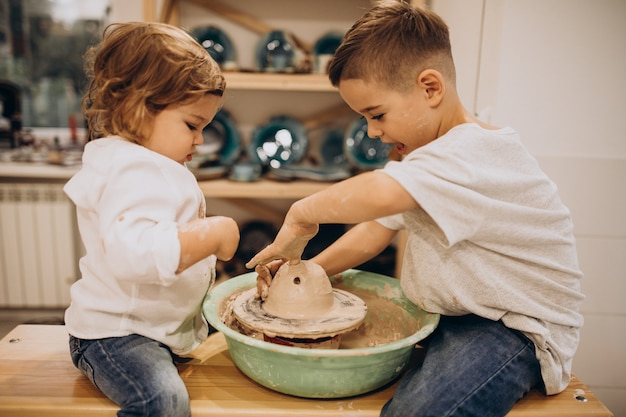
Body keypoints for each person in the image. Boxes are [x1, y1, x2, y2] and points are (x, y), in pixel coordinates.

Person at [246, 2, 584, 416]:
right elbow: (375, 230)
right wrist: (307, 270)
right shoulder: (434, 160)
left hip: (516, 330)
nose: (372, 131)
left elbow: (383, 194)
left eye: (377, 114)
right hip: (459, 317)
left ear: (430, 88)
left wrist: (302, 214)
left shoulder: (474, 153)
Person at [63, 22, 239, 417]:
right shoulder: (133, 171)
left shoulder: (141, 162)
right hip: (115, 336)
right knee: (163, 401)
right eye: (192, 126)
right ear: (138, 108)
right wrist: (215, 232)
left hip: (151, 330)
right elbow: (136, 258)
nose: (199, 140)